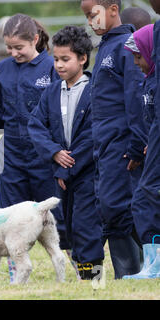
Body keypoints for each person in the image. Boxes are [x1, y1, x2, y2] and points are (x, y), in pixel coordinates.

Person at [0, 13, 68, 283]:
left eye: (19, 47)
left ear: (36, 40)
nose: (13, 52)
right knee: (10, 216)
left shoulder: (52, 67)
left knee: (53, 215)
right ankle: (16, 272)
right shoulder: (2, 71)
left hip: (46, 157)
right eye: (9, 47)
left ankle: (73, 265)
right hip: (13, 157)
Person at [28, 26, 104, 280]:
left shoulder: (96, 91)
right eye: (56, 59)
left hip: (86, 172)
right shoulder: (50, 92)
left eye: (65, 59)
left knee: (86, 226)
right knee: (69, 227)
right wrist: (53, 152)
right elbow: (36, 126)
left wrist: (65, 167)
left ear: (82, 58)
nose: (59, 65)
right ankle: (83, 274)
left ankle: (93, 277)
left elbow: (92, 134)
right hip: (61, 175)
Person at [81, 0, 148, 279]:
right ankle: (134, 270)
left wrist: (136, 144)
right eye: (85, 16)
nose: (90, 21)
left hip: (123, 146)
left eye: (93, 14)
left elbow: (135, 99)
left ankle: (133, 270)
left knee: (117, 206)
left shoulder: (126, 45)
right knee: (109, 206)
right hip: (104, 145)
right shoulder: (104, 47)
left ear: (112, 9)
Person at [122, 0, 160, 279]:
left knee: (147, 196)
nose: (136, 63)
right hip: (152, 145)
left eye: (139, 57)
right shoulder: (149, 78)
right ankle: (152, 263)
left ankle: (155, 266)